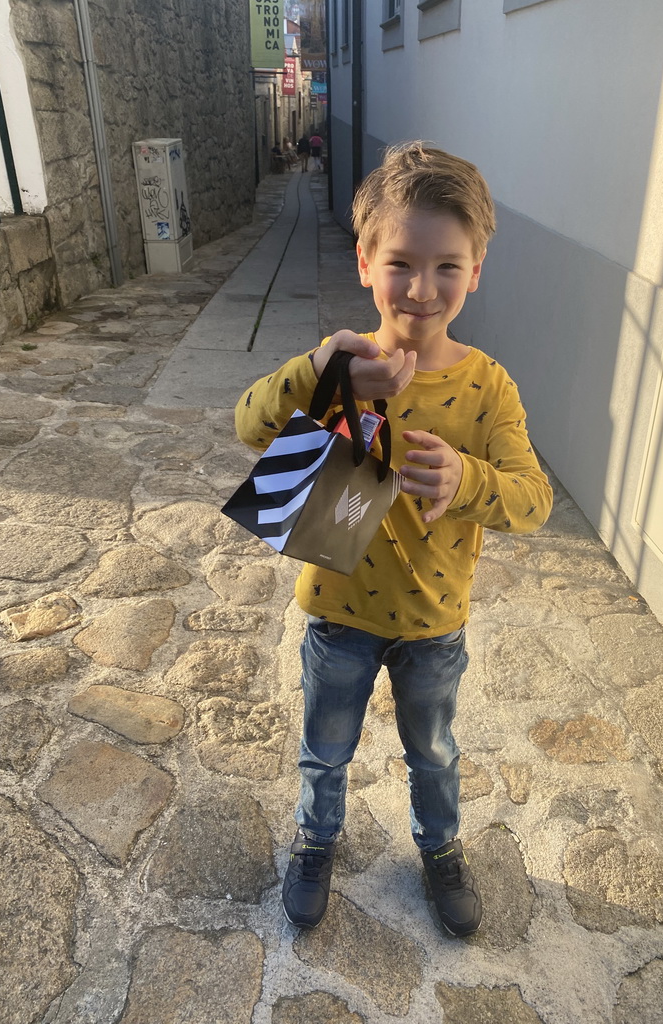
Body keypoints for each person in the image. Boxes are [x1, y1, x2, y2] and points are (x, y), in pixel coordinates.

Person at [234, 142, 553, 937]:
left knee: (435, 753)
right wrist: (317, 371)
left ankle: (440, 849)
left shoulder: (488, 387)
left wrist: (467, 481)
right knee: (325, 749)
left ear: (477, 269)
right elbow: (248, 426)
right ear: (366, 262)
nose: (421, 287)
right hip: (338, 614)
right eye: (401, 261)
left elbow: (534, 499)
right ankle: (317, 839)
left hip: (434, 624)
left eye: (448, 265)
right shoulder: (342, 364)